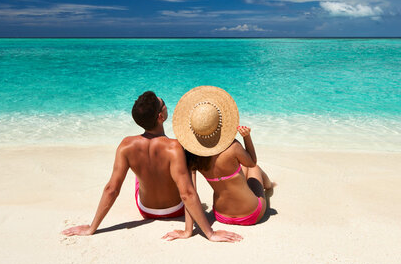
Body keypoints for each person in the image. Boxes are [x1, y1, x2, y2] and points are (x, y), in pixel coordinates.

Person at [61, 91, 242, 243]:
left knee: (141, 172)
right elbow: (187, 193)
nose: (164, 104)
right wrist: (209, 233)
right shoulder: (175, 147)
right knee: (188, 166)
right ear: (161, 117)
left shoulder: (126, 145)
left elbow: (111, 189)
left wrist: (92, 227)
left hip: (145, 210)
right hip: (175, 209)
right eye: (163, 104)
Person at [163, 86, 274, 240]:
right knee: (255, 169)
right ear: (219, 123)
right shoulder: (233, 147)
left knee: (243, 171)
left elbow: (190, 193)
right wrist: (247, 137)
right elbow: (252, 162)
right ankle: (268, 187)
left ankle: (268, 185)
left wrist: (188, 230)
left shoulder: (192, 156)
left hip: (221, 215)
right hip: (251, 214)